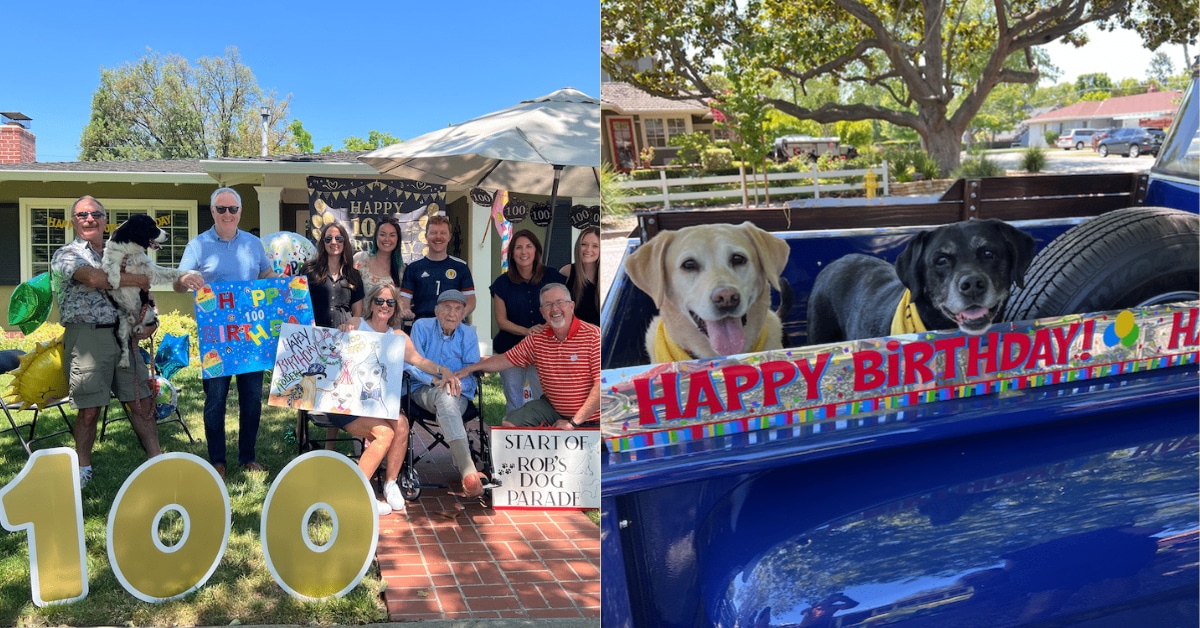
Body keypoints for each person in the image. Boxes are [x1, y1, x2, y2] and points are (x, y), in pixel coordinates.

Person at [51, 196, 181, 487]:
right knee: (89, 409)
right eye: (82, 214)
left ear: (105, 220)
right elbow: (96, 278)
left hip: (125, 336)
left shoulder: (123, 251)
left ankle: (156, 461)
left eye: (95, 213)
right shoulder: (66, 254)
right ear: (74, 221)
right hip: (88, 337)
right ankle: (83, 468)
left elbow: (146, 291)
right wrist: (137, 280)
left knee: (142, 402)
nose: (89, 219)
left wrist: (152, 320)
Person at [174, 187, 277, 479]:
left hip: (251, 336)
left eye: (233, 209)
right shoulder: (198, 245)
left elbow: (266, 276)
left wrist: (284, 284)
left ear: (241, 212)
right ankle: (217, 460)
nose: (228, 214)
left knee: (252, 399)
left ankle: (248, 456)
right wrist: (185, 279)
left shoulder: (254, 244)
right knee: (215, 400)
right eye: (222, 209)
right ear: (213, 211)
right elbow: (178, 284)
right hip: (217, 339)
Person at [340, 283, 460, 513]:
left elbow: (419, 361)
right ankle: (359, 494)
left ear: (395, 308)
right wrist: (343, 330)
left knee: (402, 424)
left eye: (390, 302)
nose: (385, 306)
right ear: (371, 303)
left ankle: (391, 483)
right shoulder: (356, 325)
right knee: (384, 433)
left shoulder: (397, 337)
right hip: (350, 404)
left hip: (379, 404)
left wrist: (442, 370)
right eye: (380, 301)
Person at [458, 283, 599, 430]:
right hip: (554, 410)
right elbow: (506, 359)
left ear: (571, 306)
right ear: (542, 312)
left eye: (560, 303)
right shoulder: (537, 338)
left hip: (591, 416)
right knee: (510, 424)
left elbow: (601, 386)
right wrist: (471, 368)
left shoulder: (593, 336)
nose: (555, 309)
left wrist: (574, 423)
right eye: (548, 305)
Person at [406, 290, 488, 497]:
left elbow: (471, 370)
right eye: (447, 307)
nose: (452, 313)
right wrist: (436, 380)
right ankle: (468, 471)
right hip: (423, 390)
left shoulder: (468, 334)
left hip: (457, 393)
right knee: (445, 397)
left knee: (447, 398)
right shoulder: (421, 327)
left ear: (463, 313)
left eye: (458, 308)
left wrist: (454, 384)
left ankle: (468, 472)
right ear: (436, 310)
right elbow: (412, 365)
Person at [489, 230, 567, 412]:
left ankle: (544, 434)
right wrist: (528, 331)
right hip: (511, 348)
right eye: (518, 248)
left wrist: (550, 326)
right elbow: (501, 321)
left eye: (528, 246)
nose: (524, 252)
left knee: (545, 397)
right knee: (514, 399)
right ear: (512, 253)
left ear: (536, 250)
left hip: (545, 347)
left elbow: (563, 307)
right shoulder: (502, 283)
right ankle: (513, 435)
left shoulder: (552, 276)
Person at [304, 221, 364, 449]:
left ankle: (329, 446)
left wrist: (352, 324)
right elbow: (298, 304)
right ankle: (305, 440)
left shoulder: (354, 275)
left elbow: (357, 314)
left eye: (338, 239)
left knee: (335, 390)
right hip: (314, 336)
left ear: (345, 243)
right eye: (328, 239)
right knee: (308, 388)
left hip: (342, 339)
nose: (334, 243)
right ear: (322, 243)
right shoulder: (309, 270)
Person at [398, 215, 475, 322]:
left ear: (450, 237)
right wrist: (406, 310)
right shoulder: (413, 267)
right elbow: (404, 298)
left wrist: (459, 316)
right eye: (433, 233)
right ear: (426, 236)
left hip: (452, 325)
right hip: (423, 325)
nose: (438, 237)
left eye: (443, 233)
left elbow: (470, 301)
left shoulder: (461, 267)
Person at [559, 227, 600, 326]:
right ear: (578, 246)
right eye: (584, 244)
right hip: (574, 336)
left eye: (595, 246)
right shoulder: (567, 272)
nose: (588, 249)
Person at [354, 216, 404, 296]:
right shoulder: (360, 259)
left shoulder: (402, 270)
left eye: (392, 235)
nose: (387, 239)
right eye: (382, 234)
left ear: (398, 239)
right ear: (376, 236)